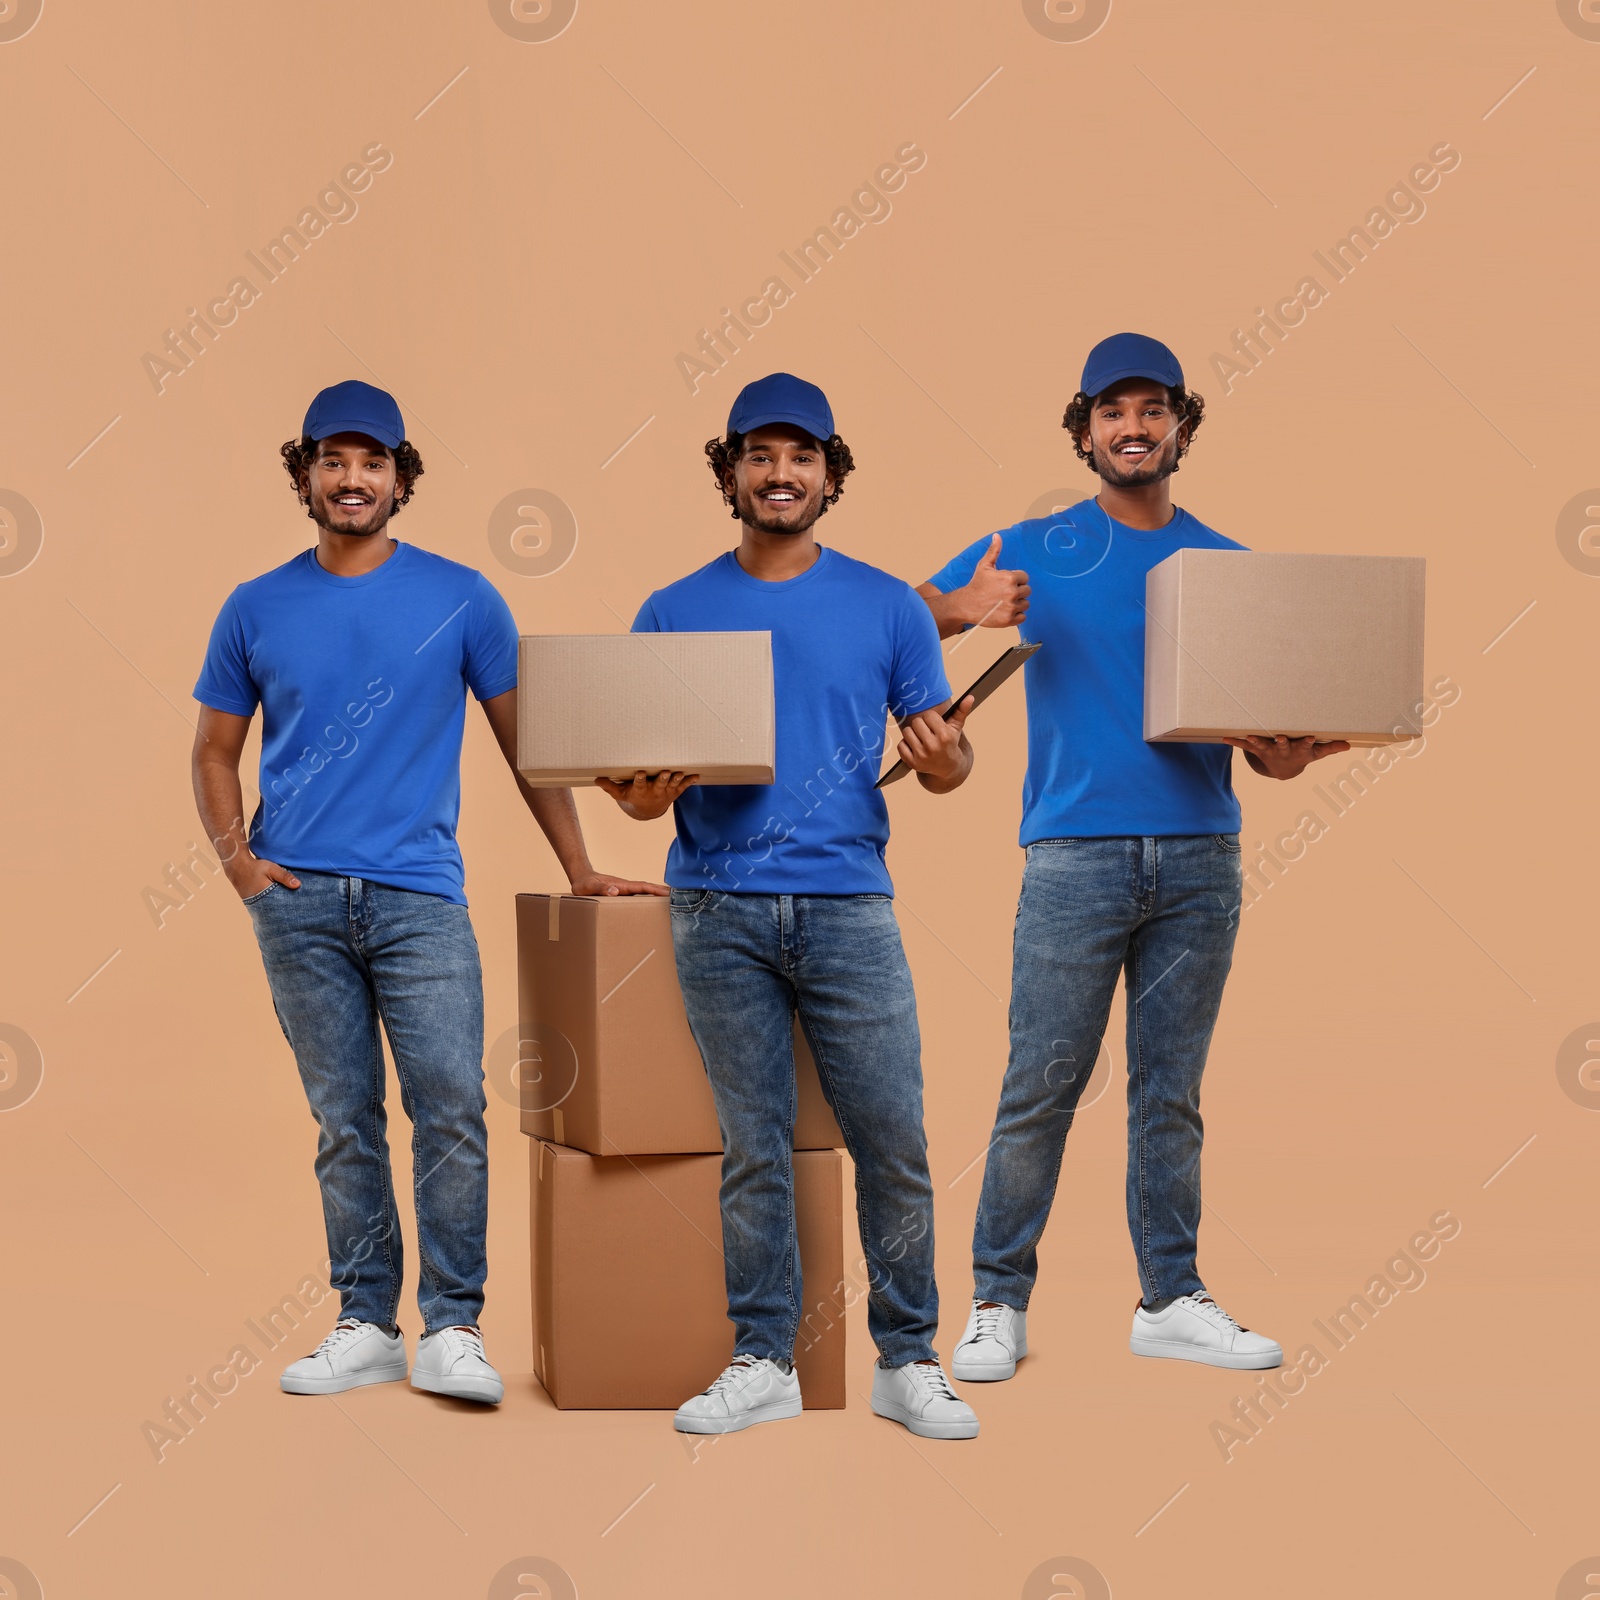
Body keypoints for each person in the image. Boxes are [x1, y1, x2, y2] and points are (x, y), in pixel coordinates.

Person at [191, 380, 657, 1405]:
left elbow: (527, 743)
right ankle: (365, 1321)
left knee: (449, 1105)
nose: (351, 478)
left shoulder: (461, 597)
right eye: (332, 460)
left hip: (418, 900)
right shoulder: (255, 605)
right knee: (344, 1118)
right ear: (304, 472)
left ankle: (453, 1326)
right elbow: (215, 751)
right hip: (298, 899)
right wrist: (238, 863)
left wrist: (578, 866)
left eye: (373, 462)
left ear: (402, 481)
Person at [917, 334, 1349, 1379]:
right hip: (1071, 856)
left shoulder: (1228, 570)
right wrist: (961, 608)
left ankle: (1169, 1295)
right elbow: (881, 618)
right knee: (1041, 1083)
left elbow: (1270, 751)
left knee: (1169, 1091)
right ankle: (994, 1301)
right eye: (1113, 411)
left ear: (1180, 428)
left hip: (1200, 860)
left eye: (1152, 408)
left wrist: (1286, 754)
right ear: (1084, 432)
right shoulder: (1028, 545)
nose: (1133, 426)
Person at [600, 373, 980, 1439]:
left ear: (829, 473)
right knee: (754, 1146)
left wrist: (947, 757)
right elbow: (634, 790)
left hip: (849, 907)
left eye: (801, 456)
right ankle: (761, 1357)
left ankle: (908, 1360)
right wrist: (636, 795)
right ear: (729, 472)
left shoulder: (889, 606)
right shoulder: (672, 610)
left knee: (892, 1139)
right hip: (717, 911)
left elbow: (944, 767)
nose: (780, 473)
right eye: (760, 455)